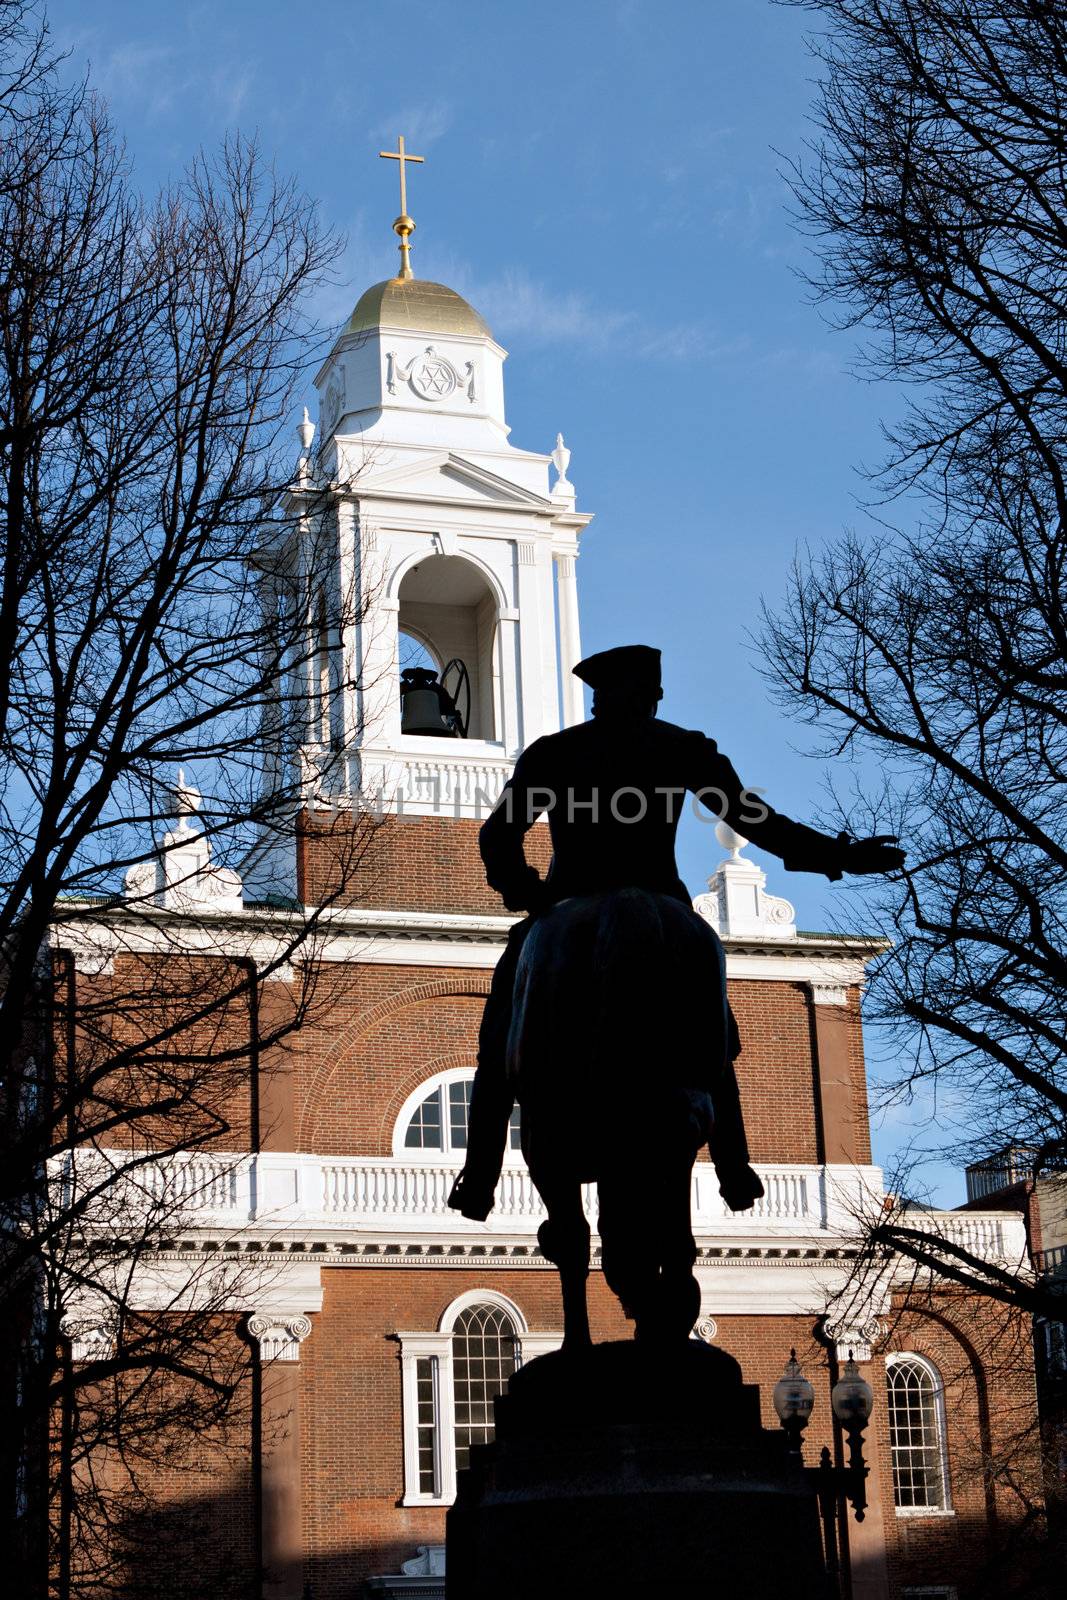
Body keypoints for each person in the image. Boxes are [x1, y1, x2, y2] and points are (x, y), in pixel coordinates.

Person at [447, 644, 903, 1222]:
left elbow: (499, 836)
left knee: (502, 1030)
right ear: (650, 695)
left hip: (568, 903)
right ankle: (734, 1165)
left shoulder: (558, 753)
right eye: (647, 692)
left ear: (598, 696)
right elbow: (755, 821)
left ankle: (480, 1173)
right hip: (663, 903)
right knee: (712, 1031)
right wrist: (838, 854)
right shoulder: (681, 747)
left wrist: (529, 894)